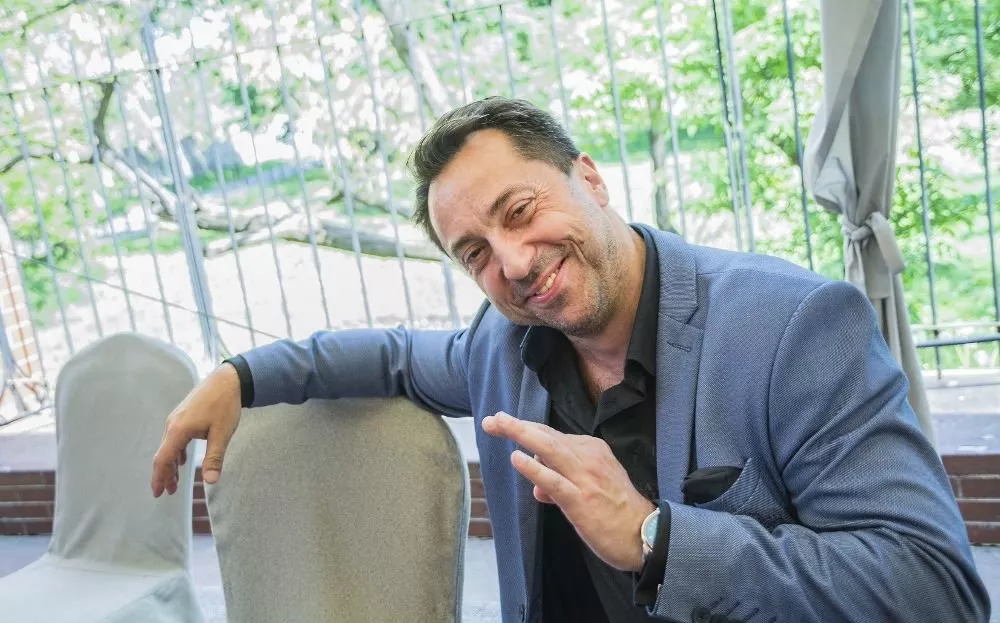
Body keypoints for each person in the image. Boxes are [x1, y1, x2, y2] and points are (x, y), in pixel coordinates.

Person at [151, 97, 989, 622]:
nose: (512, 263)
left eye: (520, 211)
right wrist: (240, 375)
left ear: (589, 178)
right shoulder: (502, 345)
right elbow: (394, 356)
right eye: (475, 253)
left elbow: (937, 589)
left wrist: (658, 537)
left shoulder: (792, 326)